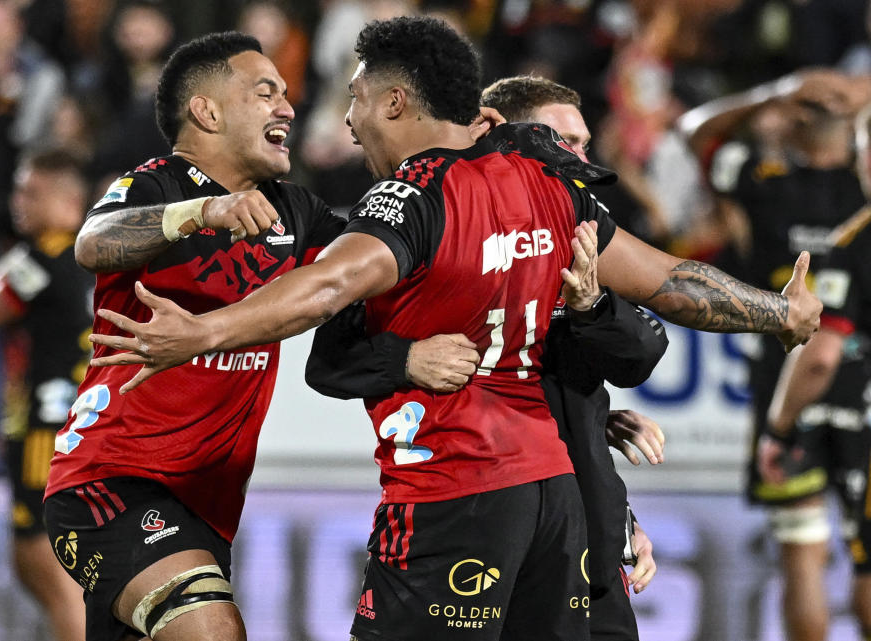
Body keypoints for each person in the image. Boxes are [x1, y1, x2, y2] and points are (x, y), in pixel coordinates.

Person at [88, 17, 822, 641]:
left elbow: (328, 286)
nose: (348, 121)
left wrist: (206, 333)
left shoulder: (411, 198)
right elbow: (671, 282)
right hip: (553, 498)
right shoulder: (546, 185)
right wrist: (776, 313)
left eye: (358, 99)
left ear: (397, 101)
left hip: (451, 493)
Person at [303, 74, 666, 641]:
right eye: (562, 141)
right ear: (504, 135)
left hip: (577, 528)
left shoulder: (574, 241)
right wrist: (404, 357)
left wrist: (592, 310)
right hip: (470, 497)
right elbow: (328, 358)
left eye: (584, 144)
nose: (576, 158)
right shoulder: (434, 223)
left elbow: (638, 355)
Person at [42, 32, 346, 641]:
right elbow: (93, 242)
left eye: (286, 94)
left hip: (205, 506)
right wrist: (200, 214)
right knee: (211, 630)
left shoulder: (296, 210)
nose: (287, 108)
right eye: (265, 93)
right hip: (112, 480)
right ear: (206, 111)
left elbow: (359, 274)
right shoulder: (157, 185)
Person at [680, 70, 871, 641]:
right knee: (866, 558)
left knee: (801, 551)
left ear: (795, 118)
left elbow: (694, 132)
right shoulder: (862, 196)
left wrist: (770, 93)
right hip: (862, 390)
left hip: (789, 375)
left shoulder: (763, 180)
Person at [0, 149, 92, 641]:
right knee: (33, 561)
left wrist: (8, 262)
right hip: (73, 425)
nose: (19, 202)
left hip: (46, 429)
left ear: (68, 201)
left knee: (46, 561)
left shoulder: (41, 257)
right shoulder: (96, 256)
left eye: (32, 193)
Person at [756, 103, 871, 641]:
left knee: (806, 554)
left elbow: (821, 352)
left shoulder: (855, 238)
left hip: (833, 412)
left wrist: (778, 428)